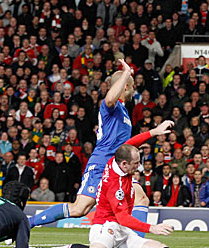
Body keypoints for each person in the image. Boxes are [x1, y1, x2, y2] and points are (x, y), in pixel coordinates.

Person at [30, 136, 209, 248]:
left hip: (122, 231)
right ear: (124, 164)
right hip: (105, 227)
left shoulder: (115, 161)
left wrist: (154, 131)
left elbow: (131, 143)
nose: (138, 167)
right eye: (135, 164)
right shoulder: (115, 186)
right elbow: (123, 218)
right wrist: (152, 228)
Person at [29, 60, 151, 237]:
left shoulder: (124, 112)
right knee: (80, 209)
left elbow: (124, 145)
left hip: (117, 166)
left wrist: (151, 133)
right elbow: (109, 98)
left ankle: (136, 243)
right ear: (125, 87)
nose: (134, 90)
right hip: (101, 164)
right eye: (131, 86)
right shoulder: (111, 106)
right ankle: (28, 223)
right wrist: (125, 73)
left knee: (141, 198)